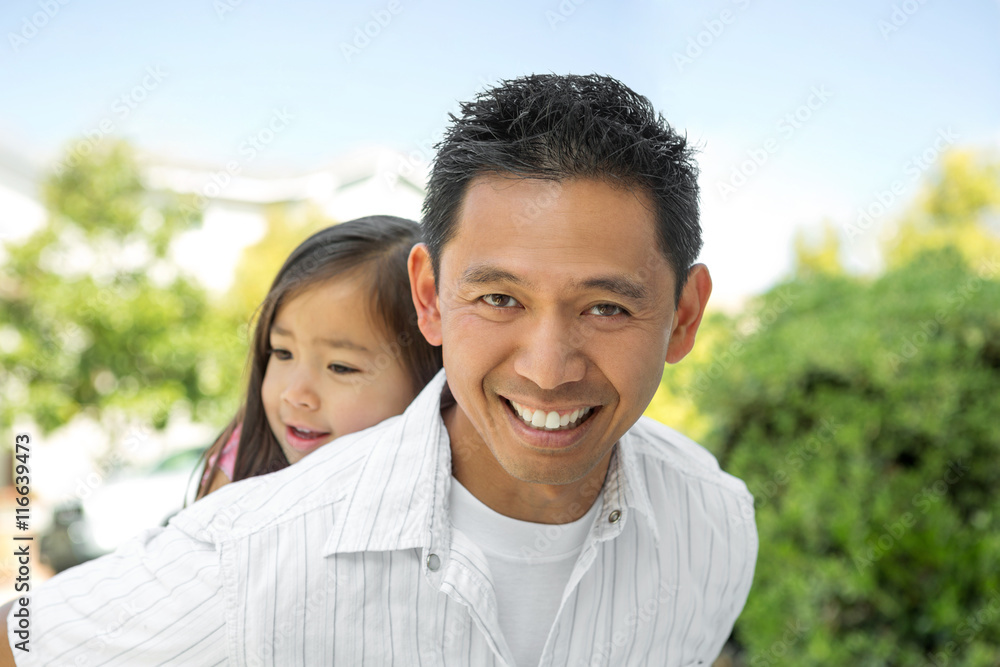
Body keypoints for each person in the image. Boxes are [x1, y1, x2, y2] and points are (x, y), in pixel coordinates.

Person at [2, 74, 758, 666]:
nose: (548, 367)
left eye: (606, 308)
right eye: (500, 297)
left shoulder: (713, 524)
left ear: (684, 316)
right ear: (430, 297)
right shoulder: (256, 554)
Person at [195, 215, 443, 499]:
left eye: (340, 367)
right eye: (282, 352)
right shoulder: (239, 467)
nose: (295, 394)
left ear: (430, 375)